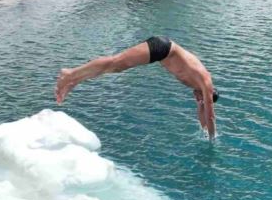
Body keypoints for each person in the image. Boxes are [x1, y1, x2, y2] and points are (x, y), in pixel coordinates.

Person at [55, 37, 218, 137]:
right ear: (207, 95)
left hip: (161, 53)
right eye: (201, 99)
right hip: (164, 48)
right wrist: (213, 137)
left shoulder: (198, 87)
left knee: (114, 68)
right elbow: (210, 117)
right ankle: (70, 74)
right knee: (116, 63)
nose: (197, 100)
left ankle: (73, 80)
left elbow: (203, 119)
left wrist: (200, 107)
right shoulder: (206, 83)